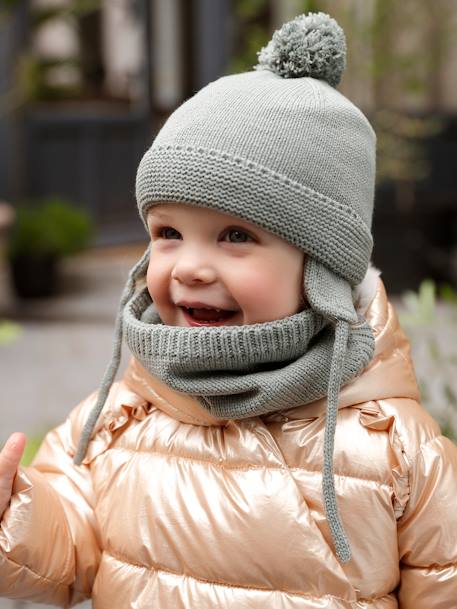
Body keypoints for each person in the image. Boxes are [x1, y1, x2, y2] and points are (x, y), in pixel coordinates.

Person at [1, 12, 456, 608]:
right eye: (167, 232)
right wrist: (16, 515)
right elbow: (67, 549)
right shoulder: (119, 416)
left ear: (323, 269)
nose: (188, 266)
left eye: (235, 236)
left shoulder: (396, 448)